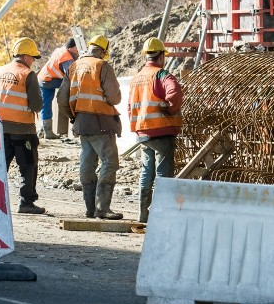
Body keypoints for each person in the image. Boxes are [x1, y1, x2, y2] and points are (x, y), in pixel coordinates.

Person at [57, 34, 123, 220]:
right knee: (109, 162)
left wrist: (74, 116)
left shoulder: (73, 66)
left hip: (82, 123)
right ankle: (102, 208)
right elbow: (114, 98)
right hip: (101, 122)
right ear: (103, 51)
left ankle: (90, 208)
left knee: (87, 161)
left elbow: (62, 99)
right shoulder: (102, 66)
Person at [127, 37, 184, 224]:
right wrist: (169, 109)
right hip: (161, 132)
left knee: (146, 172)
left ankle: (143, 214)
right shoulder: (161, 75)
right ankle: (161, 216)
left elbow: (130, 106)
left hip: (143, 133)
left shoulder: (136, 78)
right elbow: (174, 92)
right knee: (163, 174)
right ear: (160, 56)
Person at [0, 37, 46, 214]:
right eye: (32, 57)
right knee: (28, 167)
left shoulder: (0, 71)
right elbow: (37, 105)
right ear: (25, 56)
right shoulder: (27, 74)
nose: (33, 62)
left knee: (0, 167)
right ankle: (26, 202)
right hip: (23, 129)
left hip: (0, 127)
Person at [37, 37, 79, 139]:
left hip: (44, 77)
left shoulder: (61, 50)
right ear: (71, 49)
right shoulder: (66, 58)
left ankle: (45, 130)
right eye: (76, 48)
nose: (78, 50)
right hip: (49, 80)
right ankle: (75, 127)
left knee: (46, 104)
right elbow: (71, 75)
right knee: (70, 94)